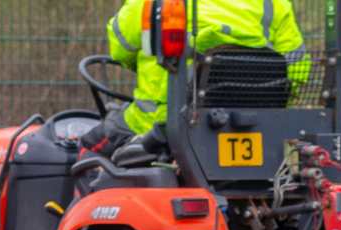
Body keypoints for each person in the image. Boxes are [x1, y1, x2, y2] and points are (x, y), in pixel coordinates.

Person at [82, 0, 310, 158]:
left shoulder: (149, 4)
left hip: (159, 125)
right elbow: (298, 68)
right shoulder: (273, 4)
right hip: (256, 129)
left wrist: (143, 64)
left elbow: (120, 48)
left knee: (88, 150)